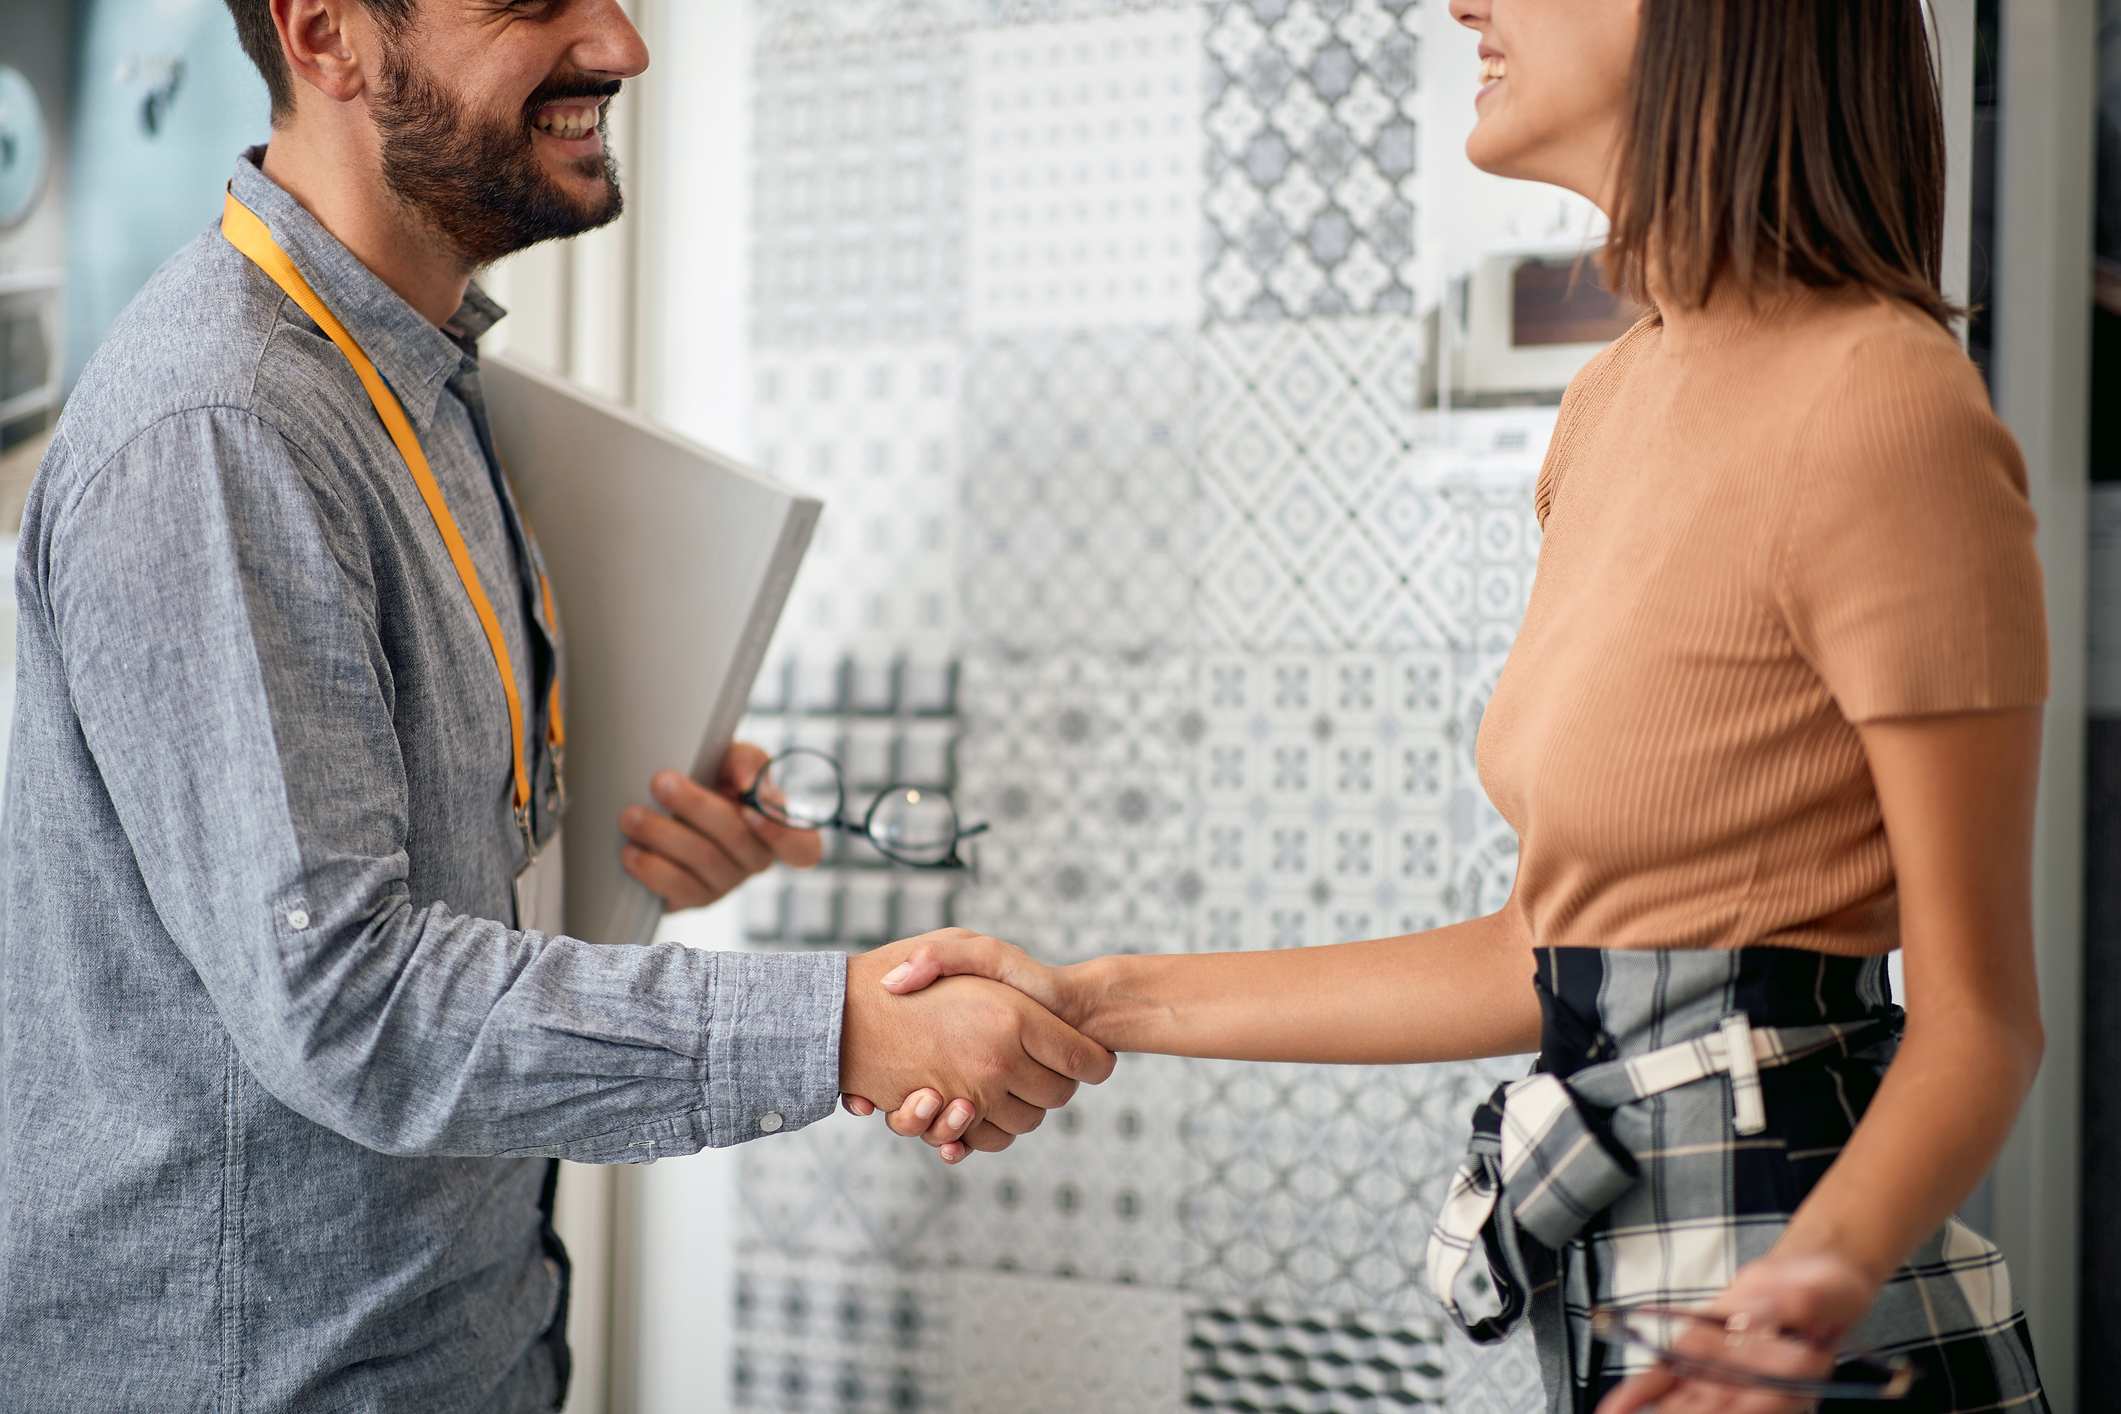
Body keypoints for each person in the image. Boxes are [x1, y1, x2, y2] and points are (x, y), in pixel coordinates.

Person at [863, 1, 2052, 1410]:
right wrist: (1090, 996)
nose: (1464, 4)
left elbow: (1980, 1020)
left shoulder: (1881, 400)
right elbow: (1539, 952)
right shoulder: (1610, 402)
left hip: (1813, 1332)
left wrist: (1807, 1289)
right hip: (1633, 1300)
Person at [0, 0, 1111, 1408]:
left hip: (473, 1343)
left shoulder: (419, 380)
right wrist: (838, 1029)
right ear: (327, 34)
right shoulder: (220, 430)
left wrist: (619, 844)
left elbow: (391, 897)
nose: (622, 45)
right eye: (535, 1)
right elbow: (351, 1004)